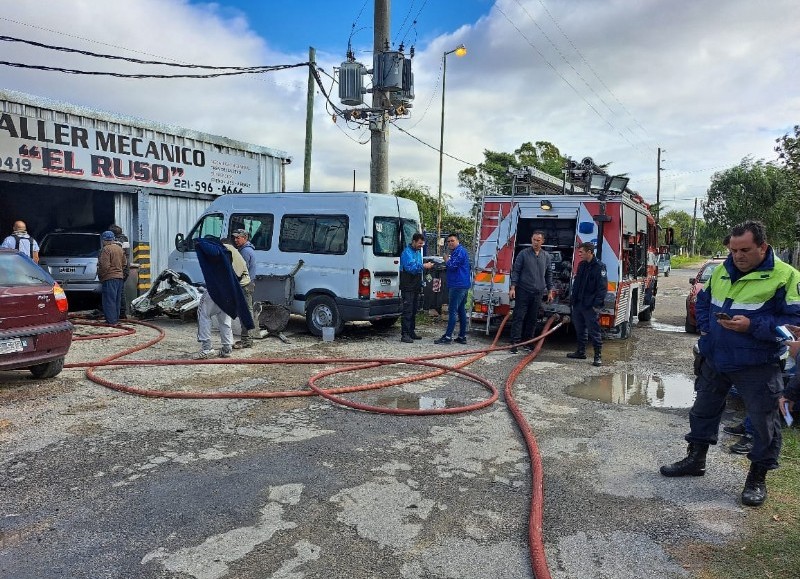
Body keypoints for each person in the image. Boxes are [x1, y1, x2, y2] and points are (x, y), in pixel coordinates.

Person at [660, 220, 800, 507]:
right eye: (733, 250)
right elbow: (704, 299)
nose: (738, 256)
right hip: (716, 357)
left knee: (764, 423)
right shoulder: (723, 270)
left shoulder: (786, 276)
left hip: (758, 364)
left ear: (763, 246)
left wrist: (752, 326)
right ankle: (695, 460)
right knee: (703, 412)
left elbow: (794, 325)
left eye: (745, 250)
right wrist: (706, 327)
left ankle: (757, 479)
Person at [193, 237, 254, 359]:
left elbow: (210, 251)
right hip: (230, 289)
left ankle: (207, 348)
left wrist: (198, 241)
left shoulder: (218, 250)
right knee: (224, 318)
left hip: (215, 290)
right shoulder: (228, 252)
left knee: (203, 315)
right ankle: (227, 348)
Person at [508, 231, 555, 354]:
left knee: (532, 319)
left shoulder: (546, 256)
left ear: (542, 241)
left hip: (538, 292)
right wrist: (513, 288)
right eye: (534, 240)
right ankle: (515, 342)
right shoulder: (523, 254)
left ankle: (528, 342)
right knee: (519, 317)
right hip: (523, 290)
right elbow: (516, 271)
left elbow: (549, 274)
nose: (535, 242)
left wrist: (550, 291)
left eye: (538, 240)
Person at [566, 242, 606, 367]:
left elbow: (602, 287)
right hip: (579, 303)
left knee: (594, 331)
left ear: (589, 252)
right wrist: (573, 299)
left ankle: (597, 356)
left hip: (590, 305)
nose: (579, 254)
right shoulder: (582, 265)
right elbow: (577, 283)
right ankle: (580, 352)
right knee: (579, 328)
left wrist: (596, 304)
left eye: (581, 252)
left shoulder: (600, 267)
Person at [434, 233, 471, 345]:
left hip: (457, 285)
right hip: (462, 284)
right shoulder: (457, 252)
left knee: (452, 311)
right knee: (461, 310)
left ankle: (448, 337)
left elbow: (452, 266)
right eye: (448, 241)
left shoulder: (459, 251)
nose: (450, 243)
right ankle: (462, 336)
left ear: (458, 241)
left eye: (452, 241)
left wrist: (446, 260)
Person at [399, 232, 434, 343]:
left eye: (422, 244)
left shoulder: (418, 252)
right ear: (413, 241)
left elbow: (418, 267)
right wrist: (423, 266)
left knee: (414, 310)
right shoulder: (406, 253)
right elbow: (410, 267)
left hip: (416, 285)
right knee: (407, 310)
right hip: (407, 285)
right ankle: (404, 334)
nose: (421, 246)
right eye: (419, 243)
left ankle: (411, 331)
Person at [231, 229, 257, 349]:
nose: (236, 240)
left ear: (245, 238)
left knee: (245, 312)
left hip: (245, 286)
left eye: (238, 237)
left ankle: (246, 340)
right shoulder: (247, 249)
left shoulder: (245, 252)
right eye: (235, 238)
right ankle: (247, 339)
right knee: (247, 311)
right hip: (249, 284)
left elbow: (240, 270)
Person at [97, 230, 126, 325]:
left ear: (104, 240)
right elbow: (124, 263)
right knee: (117, 299)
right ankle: (115, 319)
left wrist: (101, 276)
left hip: (109, 278)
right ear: (113, 239)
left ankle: (111, 321)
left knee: (109, 300)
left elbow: (104, 266)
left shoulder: (106, 249)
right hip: (119, 277)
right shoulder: (119, 248)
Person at [109, 224, 130, 319]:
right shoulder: (125, 239)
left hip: (119, 269)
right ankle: (122, 312)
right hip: (125, 269)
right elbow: (127, 254)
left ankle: (119, 313)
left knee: (117, 293)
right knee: (120, 291)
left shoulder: (116, 243)